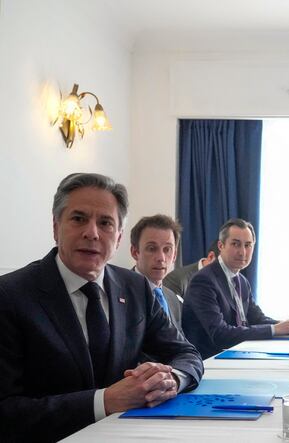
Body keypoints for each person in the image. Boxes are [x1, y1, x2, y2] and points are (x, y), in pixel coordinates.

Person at [0, 173, 203, 441]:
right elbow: (6, 412)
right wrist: (104, 401)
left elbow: (187, 354)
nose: (92, 233)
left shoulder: (136, 288)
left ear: (118, 237)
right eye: (78, 219)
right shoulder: (10, 295)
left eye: (105, 223)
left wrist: (171, 380)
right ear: (55, 226)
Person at [182, 218, 289, 359]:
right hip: (210, 362)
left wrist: (284, 325)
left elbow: (256, 318)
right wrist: (274, 329)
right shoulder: (204, 280)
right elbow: (220, 334)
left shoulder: (242, 281)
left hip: (236, 355)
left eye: (248, 245)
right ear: (221, 246)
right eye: (235, 244)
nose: (242, 252)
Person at [130, 214, 184, 330]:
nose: (161, 258)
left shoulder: (173, 299)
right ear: (135, 252)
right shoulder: (119, 293)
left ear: (174, 255)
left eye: (167, 249)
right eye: (152, 248)